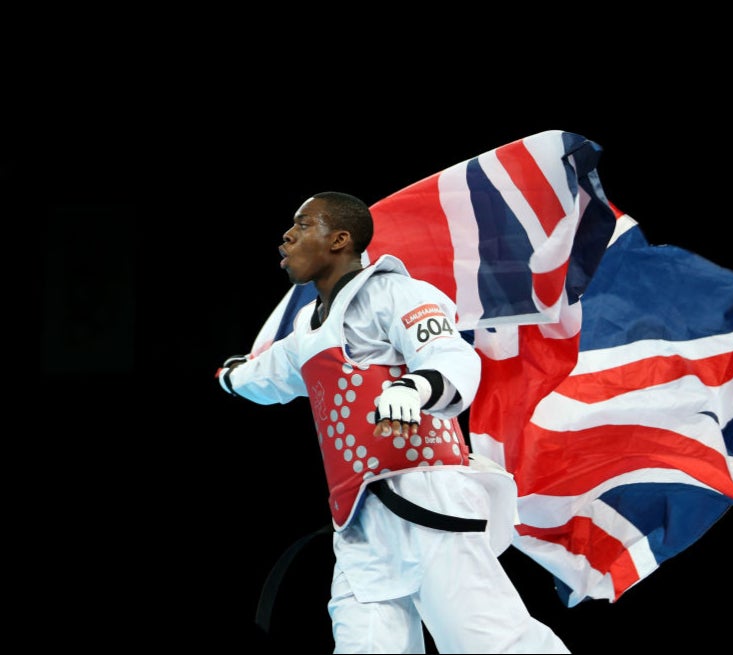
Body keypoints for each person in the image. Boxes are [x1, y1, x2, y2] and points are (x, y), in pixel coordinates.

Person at [216, 191, 570, 653]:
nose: (288, 235)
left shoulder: (396, 293)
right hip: (361, 518)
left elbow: (449, 354)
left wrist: (414, 388)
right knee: (365, 645)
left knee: (489, 640)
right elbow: (266, 376)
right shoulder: (305, 329)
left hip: (428, 497)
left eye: (303, 225)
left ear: (340, 239)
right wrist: (231, 377)